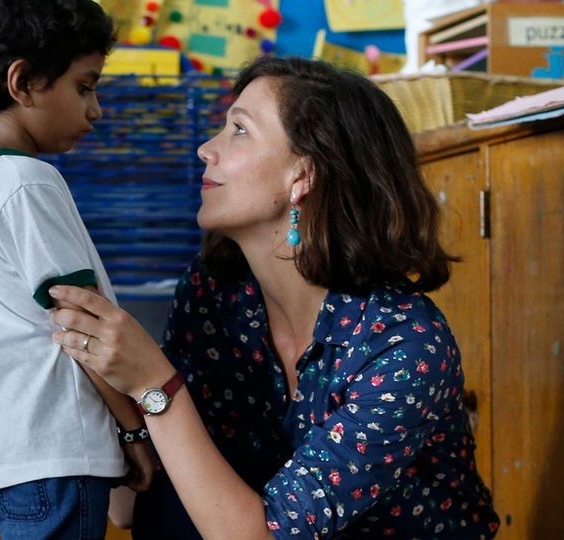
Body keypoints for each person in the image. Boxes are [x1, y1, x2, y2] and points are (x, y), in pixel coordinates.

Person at [48, 56, 500, 539]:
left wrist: (154, 385)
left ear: (303, 176)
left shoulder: (404, 344)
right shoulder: (217, 292)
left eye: (239, 130)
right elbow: (138, 503)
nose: (206, 149)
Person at [0, 1, 157, 538]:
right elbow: (84, 325)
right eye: (85, 87)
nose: (95, 110)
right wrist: (134, 432)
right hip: (60, 451)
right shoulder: (26, 181)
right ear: (23, 82)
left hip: (23, 457)